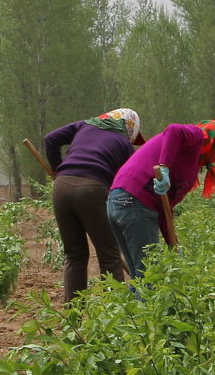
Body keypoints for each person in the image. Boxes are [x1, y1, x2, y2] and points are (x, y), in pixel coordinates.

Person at [106, 119, 215, 275]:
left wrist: (173, 245)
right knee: (148, 277)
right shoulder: (197, 137)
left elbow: (165, 210)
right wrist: (164, 167)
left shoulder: (191, 162)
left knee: (140, 277)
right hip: (135, 202)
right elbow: (174, 130)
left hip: (121, 202)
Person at [42, 108, 143, 300]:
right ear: (129, 127)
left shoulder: (84, 125)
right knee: (109, 256)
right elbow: (127, 181)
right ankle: (116, 316)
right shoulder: (124, 144)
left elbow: (50, 139)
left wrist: (58, 171)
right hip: (93, 190)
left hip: (61, 188)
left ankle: (73, 318)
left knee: (75, 256)